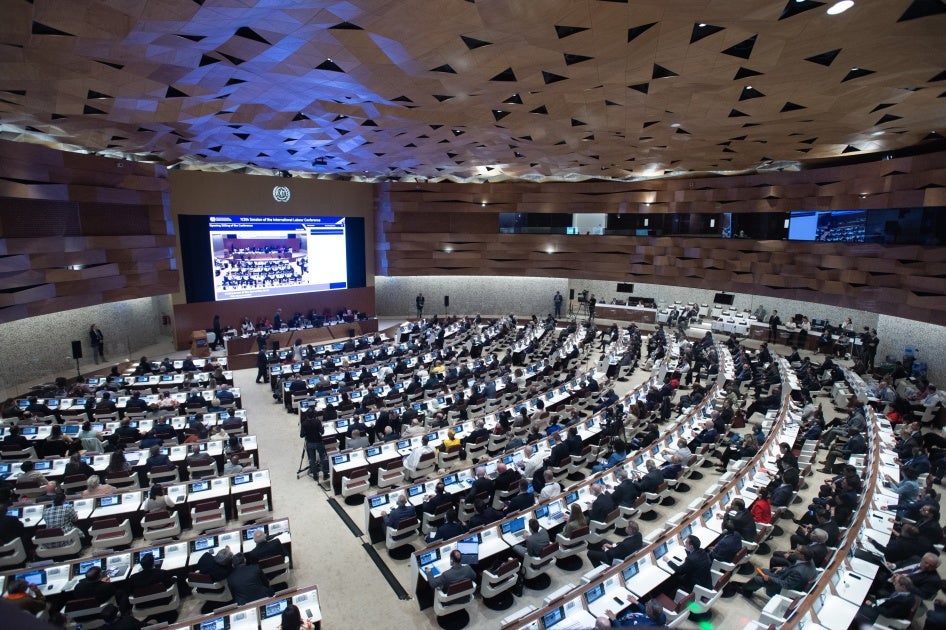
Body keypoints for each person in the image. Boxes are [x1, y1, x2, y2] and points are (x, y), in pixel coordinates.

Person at [739, 545, 816, 598]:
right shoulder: (809, 561)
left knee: (757, 579)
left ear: (802, 556)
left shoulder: (798, 572)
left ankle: (745, 589)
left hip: (782, 589)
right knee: (763, 571)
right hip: (784, 577)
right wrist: (783, 568)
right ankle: (750, 588)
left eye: (797, 550)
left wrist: (770, 578)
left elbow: (786, 585)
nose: (794, 550)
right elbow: (793, 568)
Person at [596, 596, 666, 628]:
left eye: (647, 605)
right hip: (631, 615)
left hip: (620, 624)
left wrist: (614, 619)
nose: (645, 604)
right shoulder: (660, 615)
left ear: (650, 613)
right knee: (624, 607)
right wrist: (636, 602)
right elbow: (647, 611)